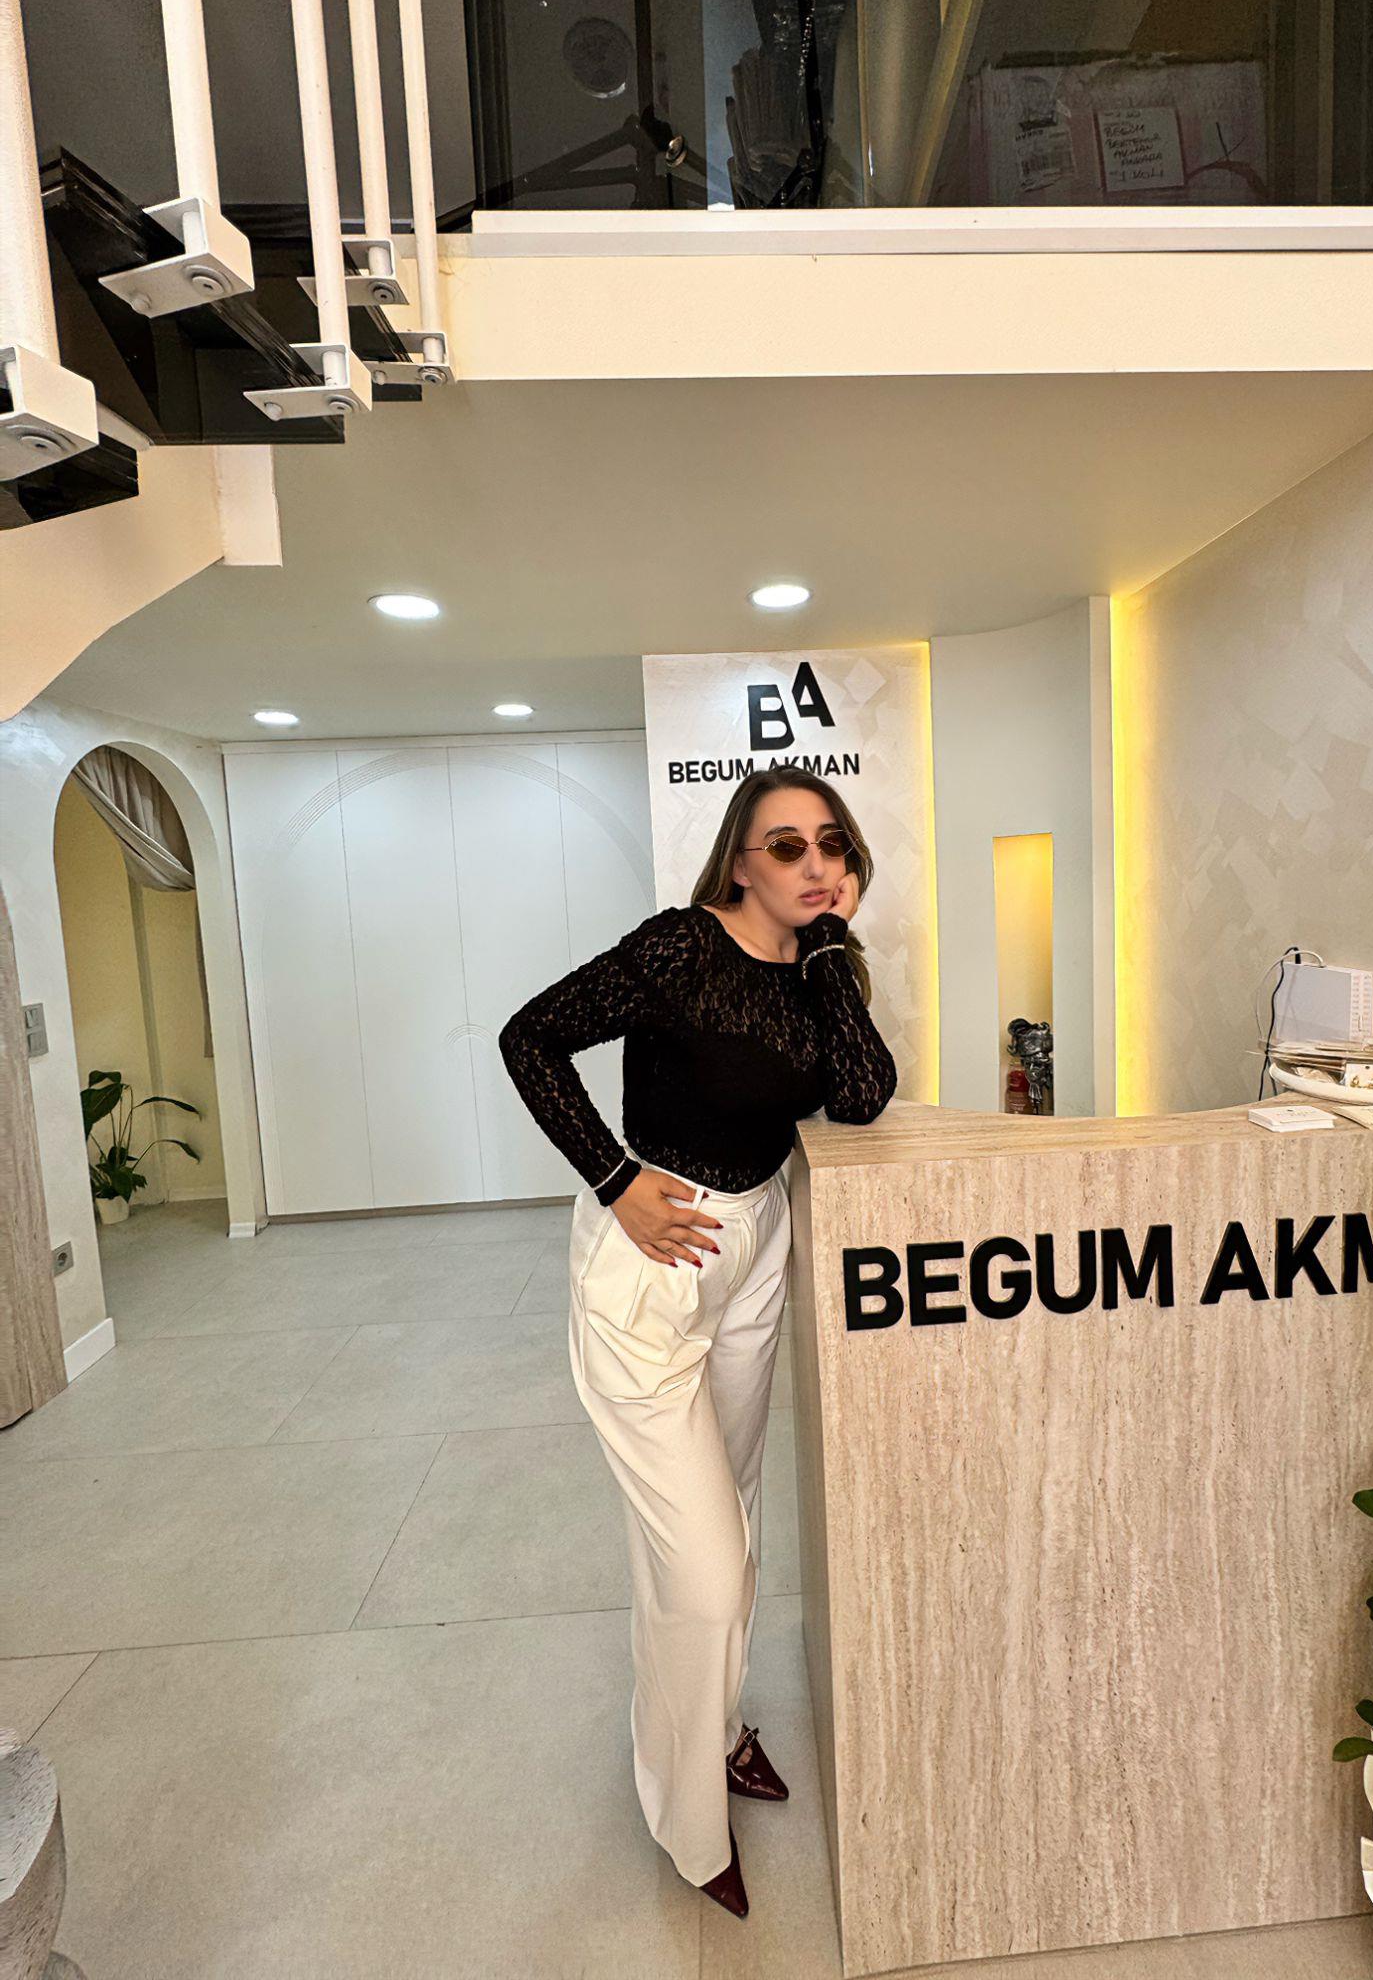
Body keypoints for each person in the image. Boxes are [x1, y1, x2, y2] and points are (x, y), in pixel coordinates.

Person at [498, 763, 899, 1918]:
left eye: (831, 843)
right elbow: (530, 1036)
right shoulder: (679, 946)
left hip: (755, 1244)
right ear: (738, 859)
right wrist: (612, 1176)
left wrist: (828, 948)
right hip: (654, 1255)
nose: (816, 863)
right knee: (703, 1565)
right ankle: (685, 1820)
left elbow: (859, 1092)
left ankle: (716, 1728)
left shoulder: (817, 963)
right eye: (786, 845)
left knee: (737, 1512)